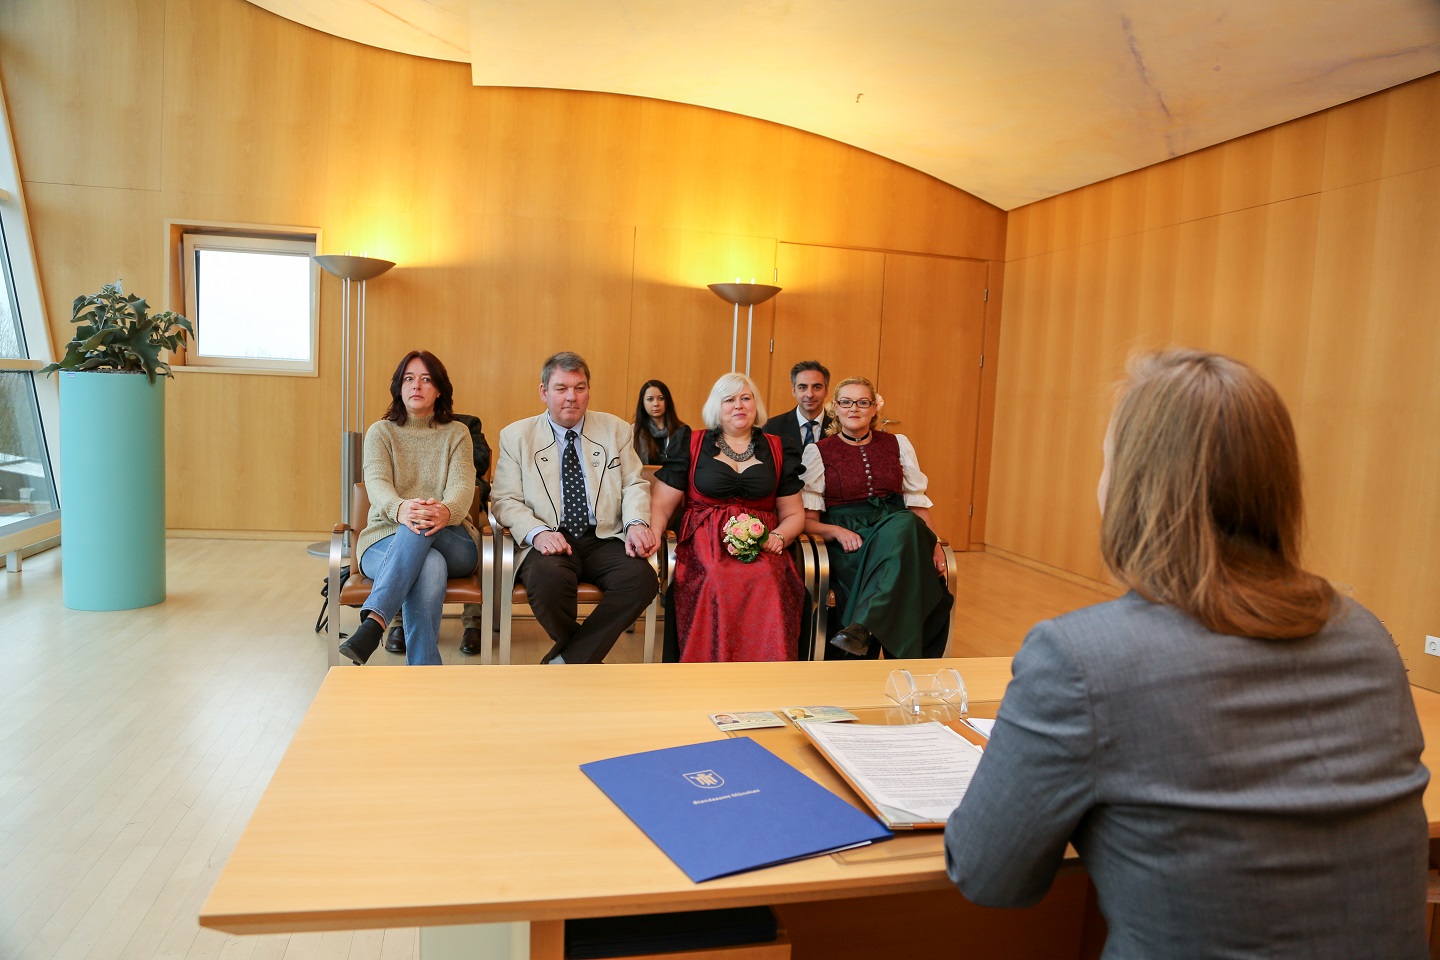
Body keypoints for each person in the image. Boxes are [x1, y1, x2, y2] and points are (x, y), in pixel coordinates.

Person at [945, 349, 1429, 959]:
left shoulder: (1081, 659)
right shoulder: (1367, 637)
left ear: (1132, 488)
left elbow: (989, 876)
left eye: (1106, 461)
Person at [491, 352, 658, 664]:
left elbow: (633, 484)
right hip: (549, 536)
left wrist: (636, 523)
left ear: (588, 391)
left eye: (580, 388)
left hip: (603, 536)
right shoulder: (517, 436)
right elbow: (504, 500)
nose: (572, 397)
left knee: (642, 580)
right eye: (561, 388)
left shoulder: (615, 430)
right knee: (548, 582)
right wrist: (537, 533)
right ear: (544, 392)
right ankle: (580, 657)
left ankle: (567, 660)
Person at [338, 350, 482, 666]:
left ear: (439, 389)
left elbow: (462, 488)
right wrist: (401, 508)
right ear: (399, 387)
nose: (416, 385)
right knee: (429, 563)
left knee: (419, 523)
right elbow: (376, 483)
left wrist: (445, 511)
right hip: (383, 541)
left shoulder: (457, 433)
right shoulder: (381, 432)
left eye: (426, 379)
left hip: (453, 539)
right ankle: (423, 671)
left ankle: (375, 621)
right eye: (409, 378)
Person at [650, 372, 806, 662]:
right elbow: (660, 504)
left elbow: (795, 513)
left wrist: (779, 536)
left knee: (769, 580)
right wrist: (652, 536)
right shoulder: (691, 442)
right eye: (729, 400)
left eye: (746, 398)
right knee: (717, 578)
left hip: (763, 544)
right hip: (705, 543)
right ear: (716, 407)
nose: (739, 405)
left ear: (756, 405)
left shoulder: (778, 447)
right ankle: (713, 669)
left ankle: (766, 674)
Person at [801, 376, 950, 658]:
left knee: (905, 523)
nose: (854, 408)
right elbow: (807, 521)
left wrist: (935, 544)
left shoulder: (898, 444)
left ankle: (863, 627)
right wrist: (837, 532)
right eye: (846, 402)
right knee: (906, 539)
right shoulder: (818, 452)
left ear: (874, 408)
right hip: (851, 543)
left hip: (899, 530)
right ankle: (903, 660)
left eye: (862, 402)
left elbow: (916, 503)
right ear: (836, 408)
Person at [385, 411, 492, 657]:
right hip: (408, 514)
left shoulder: (464, 426)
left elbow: (480, 461)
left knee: (486, 534)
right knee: (422, 544)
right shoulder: (391, 430)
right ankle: (399, 621)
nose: (419, 392)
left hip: (460, 510)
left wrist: (442, 458)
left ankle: (473, 621)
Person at [763, 360, 835, 451]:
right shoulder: (772, 427)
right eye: (802, 387)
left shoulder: (839, 426)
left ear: (826, 391)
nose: (809, 394)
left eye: (817, 387)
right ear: (794, 391)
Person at [631, 379, 685, 465]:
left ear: (667, 401)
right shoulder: (633, 431)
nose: (656, 404)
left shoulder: (681, 430)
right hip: (643, 474)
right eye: (650, 399)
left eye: (661, 398)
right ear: (642, 403)